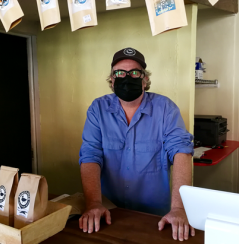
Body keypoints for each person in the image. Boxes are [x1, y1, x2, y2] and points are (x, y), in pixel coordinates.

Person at [79, 47, 195, 241]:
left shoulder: (166, 108)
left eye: (134, 72)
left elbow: (181, 152)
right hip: (108, 213)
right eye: (119, 73)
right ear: (112, 79)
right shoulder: (97, 109)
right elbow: (90, 155)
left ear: (145, 79)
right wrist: (93, 204)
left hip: (156, 216)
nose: (127, 77)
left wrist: (178, 209)